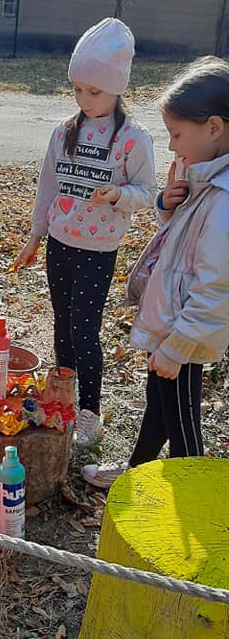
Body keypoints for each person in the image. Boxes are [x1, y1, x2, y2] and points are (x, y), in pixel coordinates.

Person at [83, 56, 229, 488]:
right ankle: (136, 475)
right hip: (169, 325)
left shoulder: (223, 199)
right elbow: (182, 244)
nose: (171, 146)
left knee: (183, 426)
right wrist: (169, 204)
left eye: (177, 134)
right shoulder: (204, 181)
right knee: (158, 407)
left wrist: (177, 348)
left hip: (182, 334)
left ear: (215, 128)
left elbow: (216, 290)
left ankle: (189, 507)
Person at [13, 18, 156, 446]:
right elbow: (48, 187)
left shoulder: (133, 138)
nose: (84, 99)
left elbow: (147, 192)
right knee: (61, 325)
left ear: (117, 87)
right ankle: (64, 399)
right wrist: (35, 236)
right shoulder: (64, 131)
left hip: (98, 249)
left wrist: (117, 195)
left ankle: (90, 410)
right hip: (60, 242)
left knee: (83, 328)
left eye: (94, 91)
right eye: (78, 89)